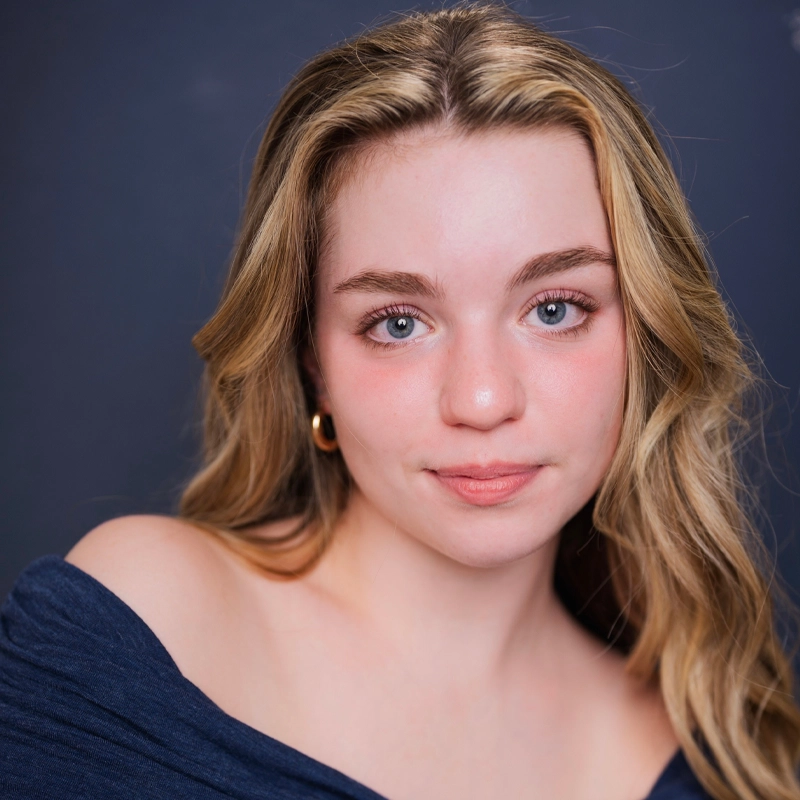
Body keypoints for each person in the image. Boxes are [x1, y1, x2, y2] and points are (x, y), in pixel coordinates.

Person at [1, 4, 798, 799]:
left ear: (649, 335)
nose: (483, 399)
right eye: (399, 322)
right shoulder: (150, 627)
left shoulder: (713, 764)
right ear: (311, 360)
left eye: (555, 309)